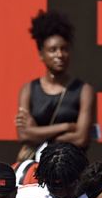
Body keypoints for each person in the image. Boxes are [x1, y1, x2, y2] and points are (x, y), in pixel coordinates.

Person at [16, 9, 96, 155]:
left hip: (72, 167)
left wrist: (37, 132)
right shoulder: (28, 90)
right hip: (36, 168)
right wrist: (66, 126)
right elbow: (24, 135)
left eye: (64, 49)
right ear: (41, 54)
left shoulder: (84, 91)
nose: (59, 55)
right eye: (52, 50)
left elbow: (81, 138)